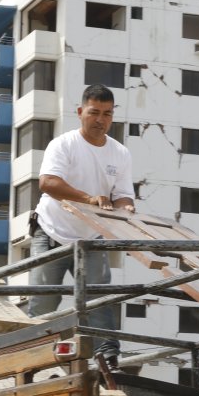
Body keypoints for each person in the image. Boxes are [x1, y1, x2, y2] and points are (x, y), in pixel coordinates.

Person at [26, 84, 135, 368]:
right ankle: (34, 359)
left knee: (98, 300)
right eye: (94, 112)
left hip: (90, 236)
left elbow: (123, 194)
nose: (101, 120)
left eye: (108, 114)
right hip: (52, 232)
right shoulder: (64, 144)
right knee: (43, 303)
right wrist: (89, 199)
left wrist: (127, 209)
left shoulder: (120, 153)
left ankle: (108, 358)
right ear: (80, 112)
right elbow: (48, 183)